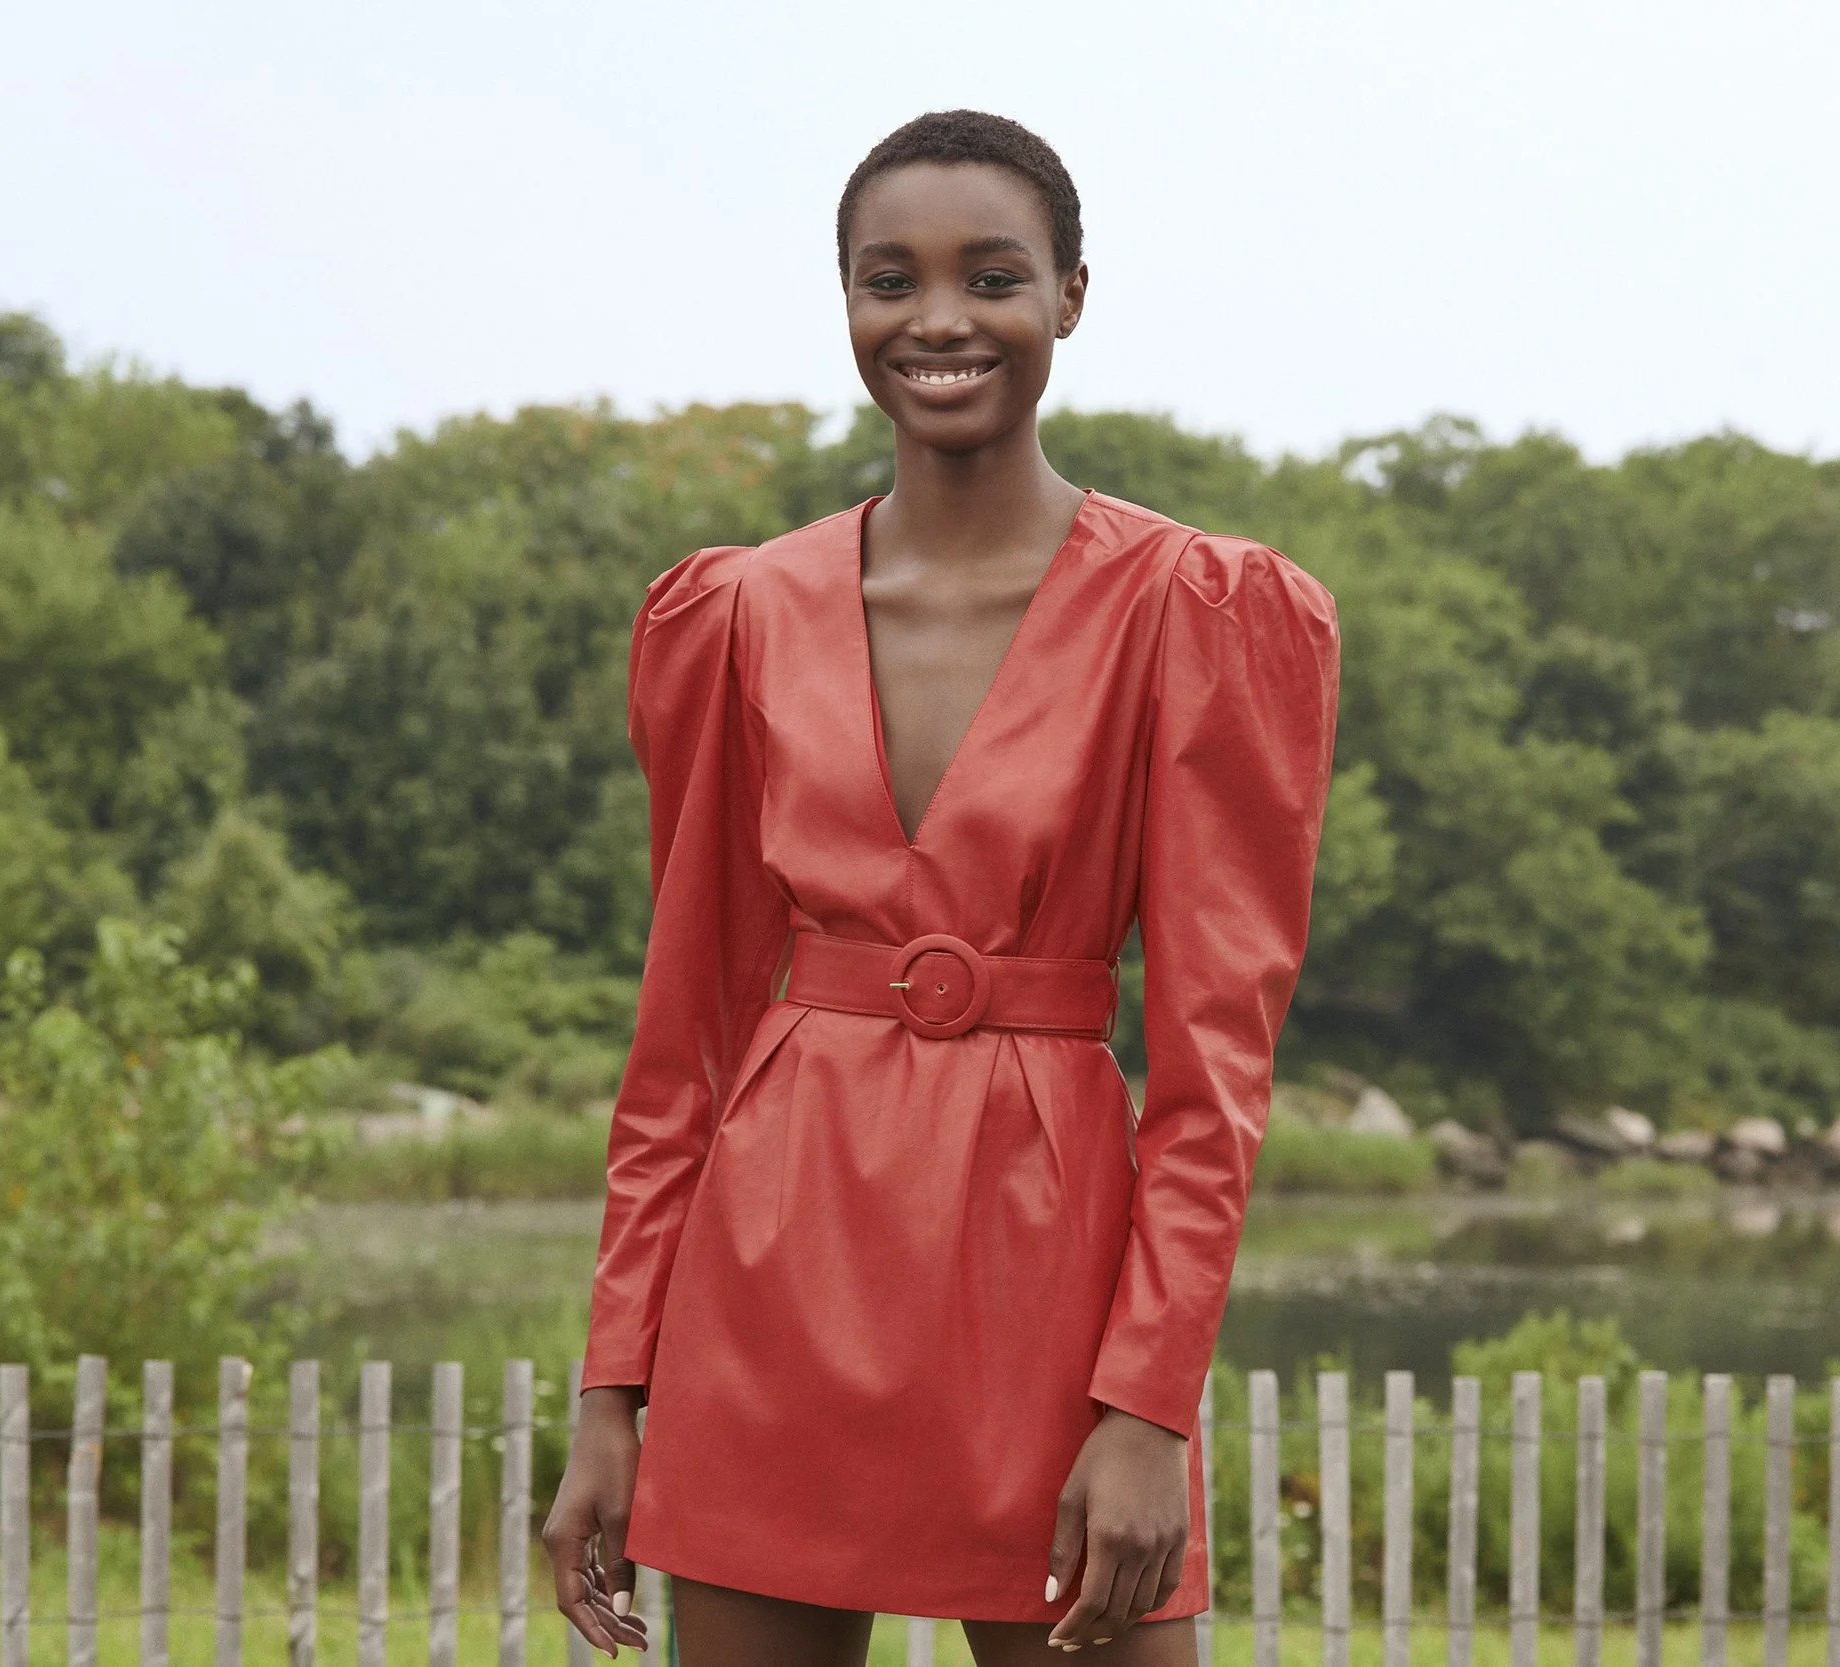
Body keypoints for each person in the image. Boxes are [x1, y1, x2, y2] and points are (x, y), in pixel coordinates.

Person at [539, 110, 1341, 1667]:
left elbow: (1212, 1072)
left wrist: (1148, 1408)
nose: (939, 319)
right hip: (765, 1296)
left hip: (1049, 1303)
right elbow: (680, 1044)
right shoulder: (737, 613)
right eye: (887, 278)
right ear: (844, 301)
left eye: (993, 275)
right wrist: (614, 1385)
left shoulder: (1195, 611)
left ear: (1073, 297)